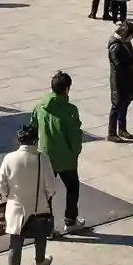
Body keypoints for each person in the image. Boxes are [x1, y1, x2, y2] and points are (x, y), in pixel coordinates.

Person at [0, 121, 58, 265]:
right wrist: (45, 196)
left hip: (16, 208)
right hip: (38, 206)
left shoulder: (9, 158)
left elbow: (0, 185)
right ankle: (39, 262)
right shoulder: (42, 158)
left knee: (15, 243)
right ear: (35, 140)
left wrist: (10, 195)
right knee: (40, 235)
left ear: (19, 140)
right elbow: (51, 187)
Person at [33, 71, 86, 233]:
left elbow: (33, 127)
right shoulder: (70, 110)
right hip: (66, 158)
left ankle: (47, 227)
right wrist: (75, 151)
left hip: (45, 155)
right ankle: (70, 220)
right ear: (67, 89)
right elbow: (74, 136)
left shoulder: (39, 106)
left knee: (47, 192)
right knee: (72, 187)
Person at [107, 22, 133, 142]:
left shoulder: (125, 43)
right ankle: (111, 133)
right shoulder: (115, 46)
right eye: (131, 36)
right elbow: (119, 65)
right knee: (116, 105)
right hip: (119, 81)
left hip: (127, 79)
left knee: (125, 104)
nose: (131, 38)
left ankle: (122, 129)